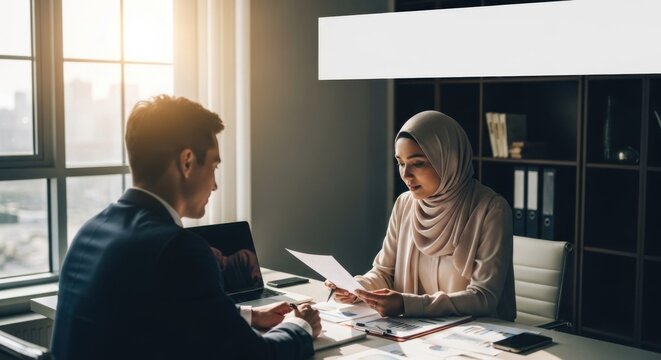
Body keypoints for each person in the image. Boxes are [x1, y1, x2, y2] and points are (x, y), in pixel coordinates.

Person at [51, 95, 321, 360]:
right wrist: (301, 327)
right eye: (214, 166)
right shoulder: (179, 250)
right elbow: (254, 356)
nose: (215, 185)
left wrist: (249, 315)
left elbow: (151, 310)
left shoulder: (90, 231)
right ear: (187, 162)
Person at [327, 110, 516, 321]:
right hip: (417, 330)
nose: (406, 175)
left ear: (449, 159)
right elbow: (384, 273)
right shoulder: (405, 204)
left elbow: (484, 297)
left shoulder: (491, 209)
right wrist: (355, 289)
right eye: (400, 162)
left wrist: (407, 304)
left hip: (477, 334)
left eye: (417, 163)